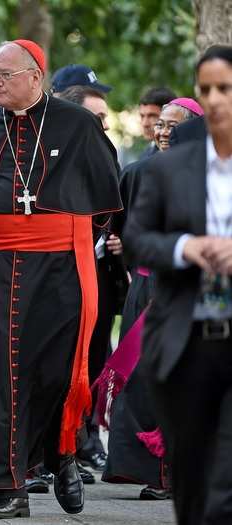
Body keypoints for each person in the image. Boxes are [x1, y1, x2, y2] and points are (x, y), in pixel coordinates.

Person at [0, 39, 121, 519]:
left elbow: (102, 203)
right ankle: (9, 488)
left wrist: (60, 232)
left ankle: (62, 455)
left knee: (56, 370)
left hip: (60, 268)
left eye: (5, 74)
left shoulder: (77, 124)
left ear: (35, 76)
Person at [124, 45, 232, 525]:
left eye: (224, 89)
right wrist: (183, 247)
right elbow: (137, 240)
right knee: (189, 480)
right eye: (205, 89)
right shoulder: (169, 166)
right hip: (184, 340)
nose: (214, 99)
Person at [98, 97, 203, 502]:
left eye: (173, 126)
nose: (162, 132)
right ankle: (147, 469)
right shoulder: (138, 172)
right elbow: (118, 227)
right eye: (160, 124)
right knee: (140, 380)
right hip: (144, 289)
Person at [58, 84, 128, 481]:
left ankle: (85, 442)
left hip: (98, 275)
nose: (103, 124)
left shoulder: (107, 156)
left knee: (95, 360)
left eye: (105, 117)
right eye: (95, 117)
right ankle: (60, 448)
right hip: (57, 275)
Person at [138, 87, 176, 159]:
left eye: (152, 116)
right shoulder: (146, 153)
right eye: (142, 116)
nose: (145, 124)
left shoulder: (182, 153)